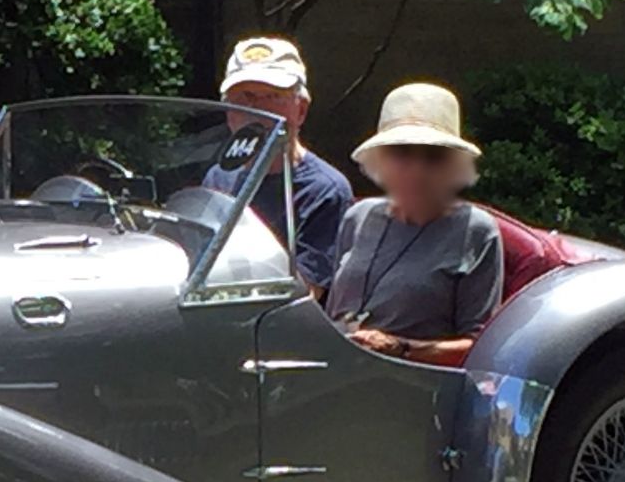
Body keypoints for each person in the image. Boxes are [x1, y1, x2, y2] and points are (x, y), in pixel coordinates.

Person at [325, 82, 503, 367]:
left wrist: (402, 348)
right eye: (402, 153)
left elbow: (480, 347)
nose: (417, 169)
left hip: (410, 381)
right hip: (335, 370)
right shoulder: (358, 217)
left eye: (433, 156)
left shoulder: (476, 231)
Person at [206, 37, 353, 298]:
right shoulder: (220, 177)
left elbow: (303, 293)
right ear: (228, 112)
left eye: (273, 96)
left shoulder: (325, 191)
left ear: (301, 110)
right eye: (245, 97)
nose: (258, 110)